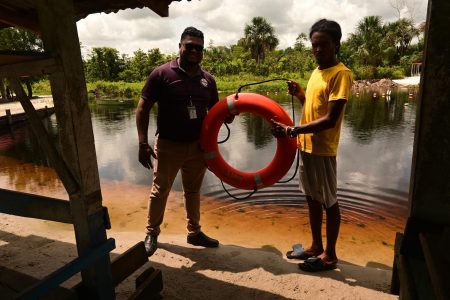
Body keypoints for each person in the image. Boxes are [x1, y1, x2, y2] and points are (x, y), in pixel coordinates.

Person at [136, 26, 231, 256]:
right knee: (160, 190)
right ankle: (152, 232)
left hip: (198, 147)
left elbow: (217, 112)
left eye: (199, 48)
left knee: (193, 191)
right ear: (180, 46)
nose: (194, 51)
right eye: (189, 46)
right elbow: (142, 108)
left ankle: (194, 232)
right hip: (169, 145)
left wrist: (232, 112)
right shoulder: (161, 74)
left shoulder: (208, 80)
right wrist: (142, 143)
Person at [271, 19, 353, 272]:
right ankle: (316, 246)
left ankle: (330, 255)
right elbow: (314, 106)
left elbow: (329, 119)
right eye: (314, 45)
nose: (317, 50)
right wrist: (299, 94)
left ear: (336, 45)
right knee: (312, 198)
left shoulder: (341, 74)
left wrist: (291, 130)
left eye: (323, 45)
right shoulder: (317, 72)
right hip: (306, 147)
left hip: (323, 150)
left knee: (329, 201)